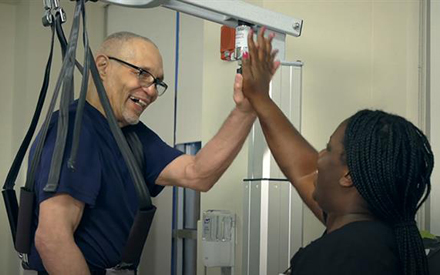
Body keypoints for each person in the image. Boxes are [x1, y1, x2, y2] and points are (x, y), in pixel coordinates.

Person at [26, 31, 279, 274]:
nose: (152, 91)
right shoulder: (76, 130)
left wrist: (246, 110)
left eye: (157, 82)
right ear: (102, 66)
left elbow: (198, 174)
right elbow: (52, 240)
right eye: (142, 74)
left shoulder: (131, 135)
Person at [241, 28, 435, 274]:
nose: (318, 157)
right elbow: (302, 171)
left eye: (328, 149)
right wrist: (259, 96)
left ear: (348, 176)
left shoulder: (340, 258)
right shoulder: (384, 237)